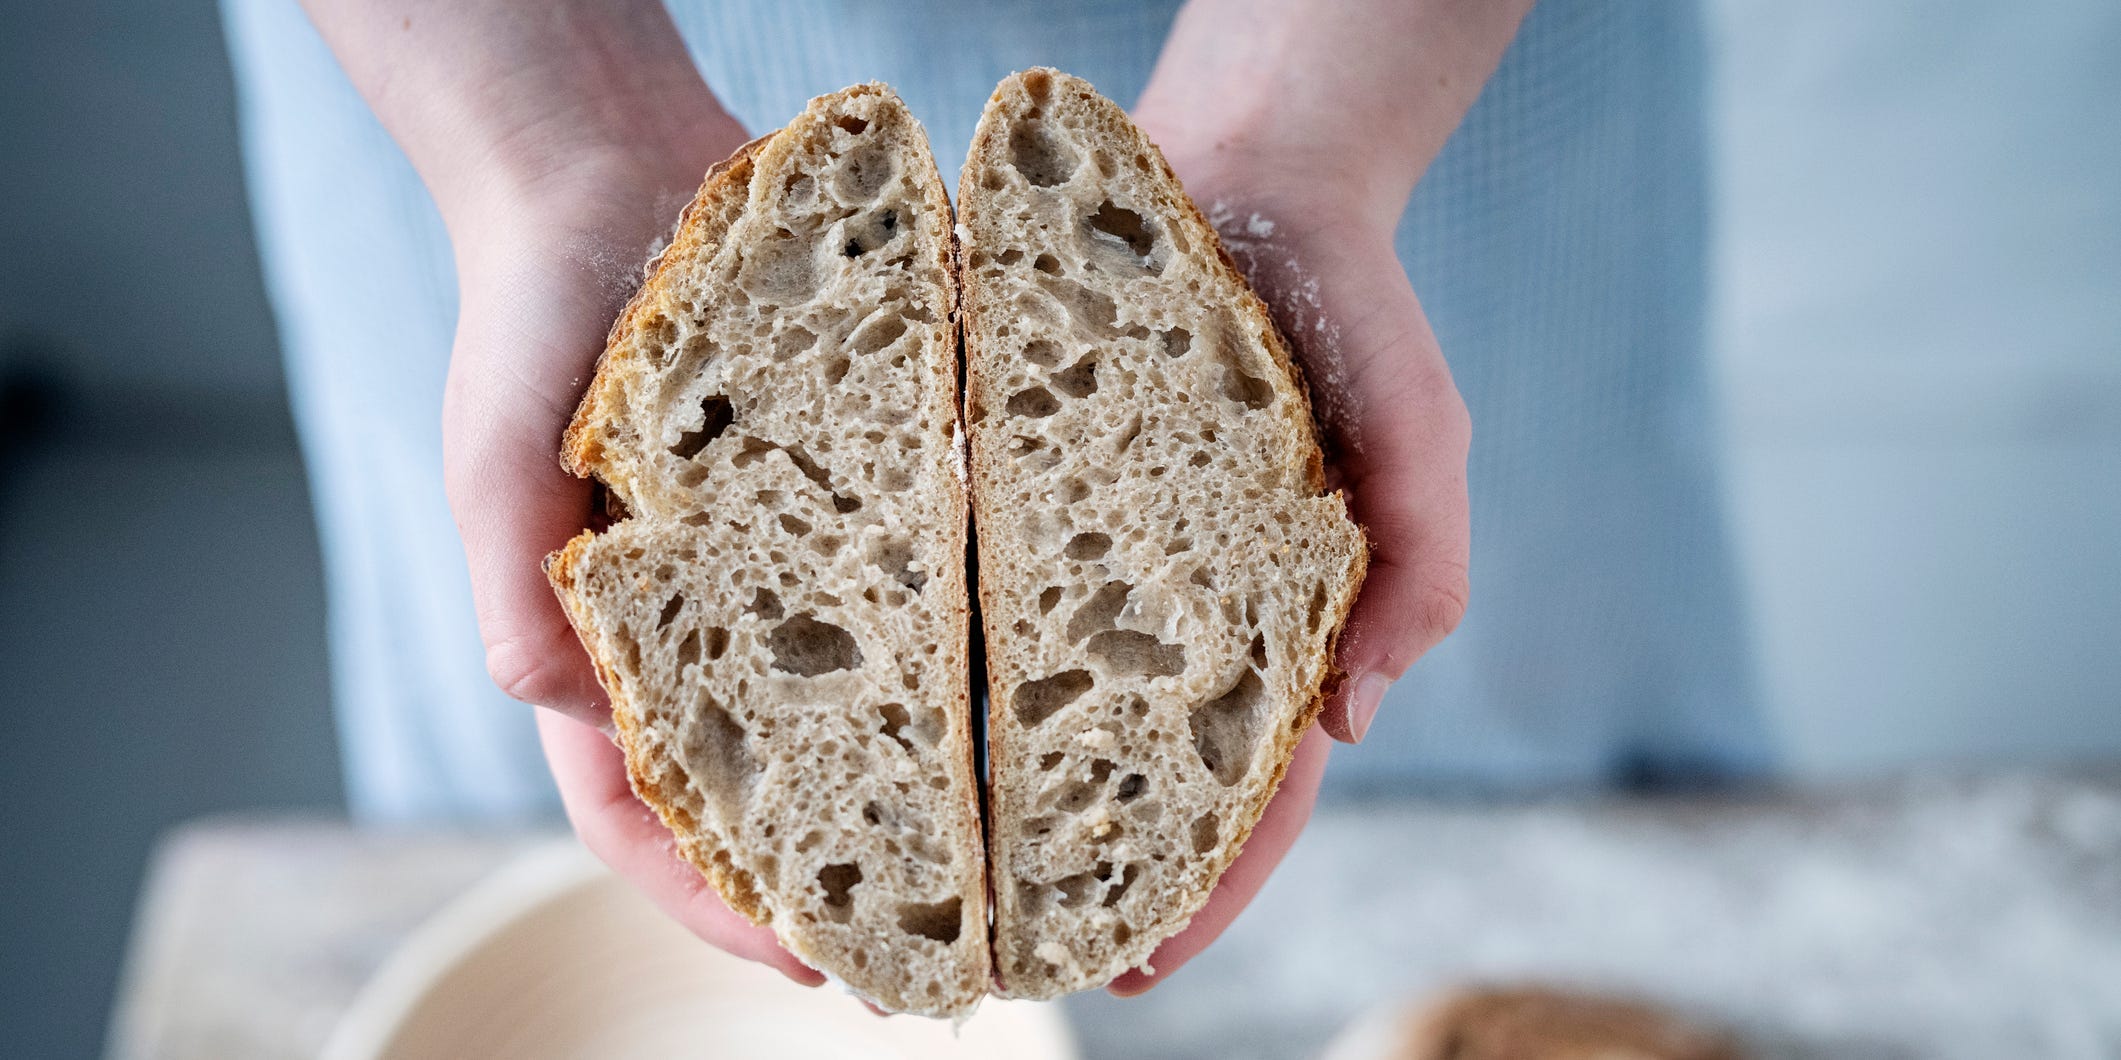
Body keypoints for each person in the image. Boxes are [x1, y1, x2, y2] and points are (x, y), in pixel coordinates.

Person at [222, 0, 1766, 993]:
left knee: (1552, 815)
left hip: (1401, 60)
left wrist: (1309, 130)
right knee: (580, 808)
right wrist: (552, 136)